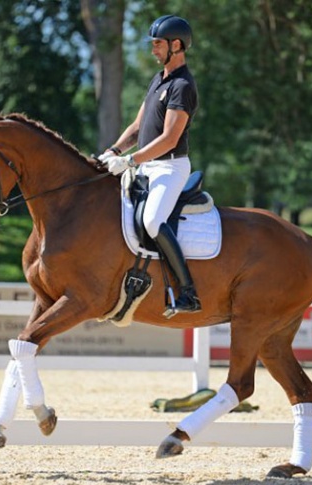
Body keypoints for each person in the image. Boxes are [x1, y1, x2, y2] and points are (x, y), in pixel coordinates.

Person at [101, 14, 201, 317]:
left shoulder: (182, 85)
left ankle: (187, 292)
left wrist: (129, 160)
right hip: (146, 166)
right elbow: (137, 126)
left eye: (158, 44)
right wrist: (113, 150)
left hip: (169, 168)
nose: (153, 49)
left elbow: (170, 138)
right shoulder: (159, 80)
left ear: (176, 45)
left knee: (153, 221)